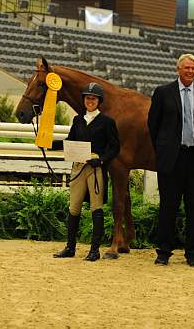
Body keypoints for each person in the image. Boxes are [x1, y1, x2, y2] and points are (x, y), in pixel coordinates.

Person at [147, 53, 194, 268]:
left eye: (193, 69)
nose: (190, 71)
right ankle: (164, 252)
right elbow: (152, 125)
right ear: (178, 69)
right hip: (171, 159)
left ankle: (193, 253)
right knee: (168, 206)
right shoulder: (163, 92)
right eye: (186, 68)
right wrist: (164, 148)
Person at [53, 82, 120, 261]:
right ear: (84, 100)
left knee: (95, 207)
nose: (90, 101)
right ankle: (70, 247)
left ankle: (95, 249)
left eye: (94, 98)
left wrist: (102, 159)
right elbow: (70, 141)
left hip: (95, 168)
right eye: (88, 98)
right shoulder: (78, 120)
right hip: (78, 166)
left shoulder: (107, 122)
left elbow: (115, 147)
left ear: (99, 101)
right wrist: (49, 144)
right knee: (73, 207)